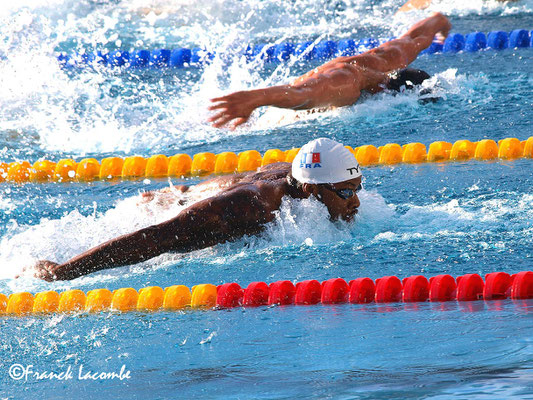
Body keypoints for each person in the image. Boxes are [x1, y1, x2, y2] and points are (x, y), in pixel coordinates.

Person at [29, 138, 363, 281]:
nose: (356, 202)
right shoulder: (252, 208)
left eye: (357, 189)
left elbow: (234, 178)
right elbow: (155, 238)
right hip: (156, 219)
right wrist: (65, 272)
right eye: (346, 193)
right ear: (310, 190)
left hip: (181, 200)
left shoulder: (293, 176)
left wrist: (183, 192)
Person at [208, 12, 451, 129]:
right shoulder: (347, 85)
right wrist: (254, 99)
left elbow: (422, 31)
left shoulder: (395, 57)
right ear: (383, 91)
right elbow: (300, 95)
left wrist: (441, 23)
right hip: (274, 113)